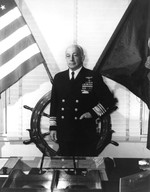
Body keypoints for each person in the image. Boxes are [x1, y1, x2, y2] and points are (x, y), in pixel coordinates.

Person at [49, 44, 118, 156]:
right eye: (68, 56)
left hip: (84, 133)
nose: (71, 59)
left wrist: (92, 113)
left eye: (75, 55)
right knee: (67, 168)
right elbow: (54, 104)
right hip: (64, 132)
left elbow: (109, 100)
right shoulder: (59, 78)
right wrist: (53, 127)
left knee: (83, 169)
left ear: (82, 57)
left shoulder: (93, 76)